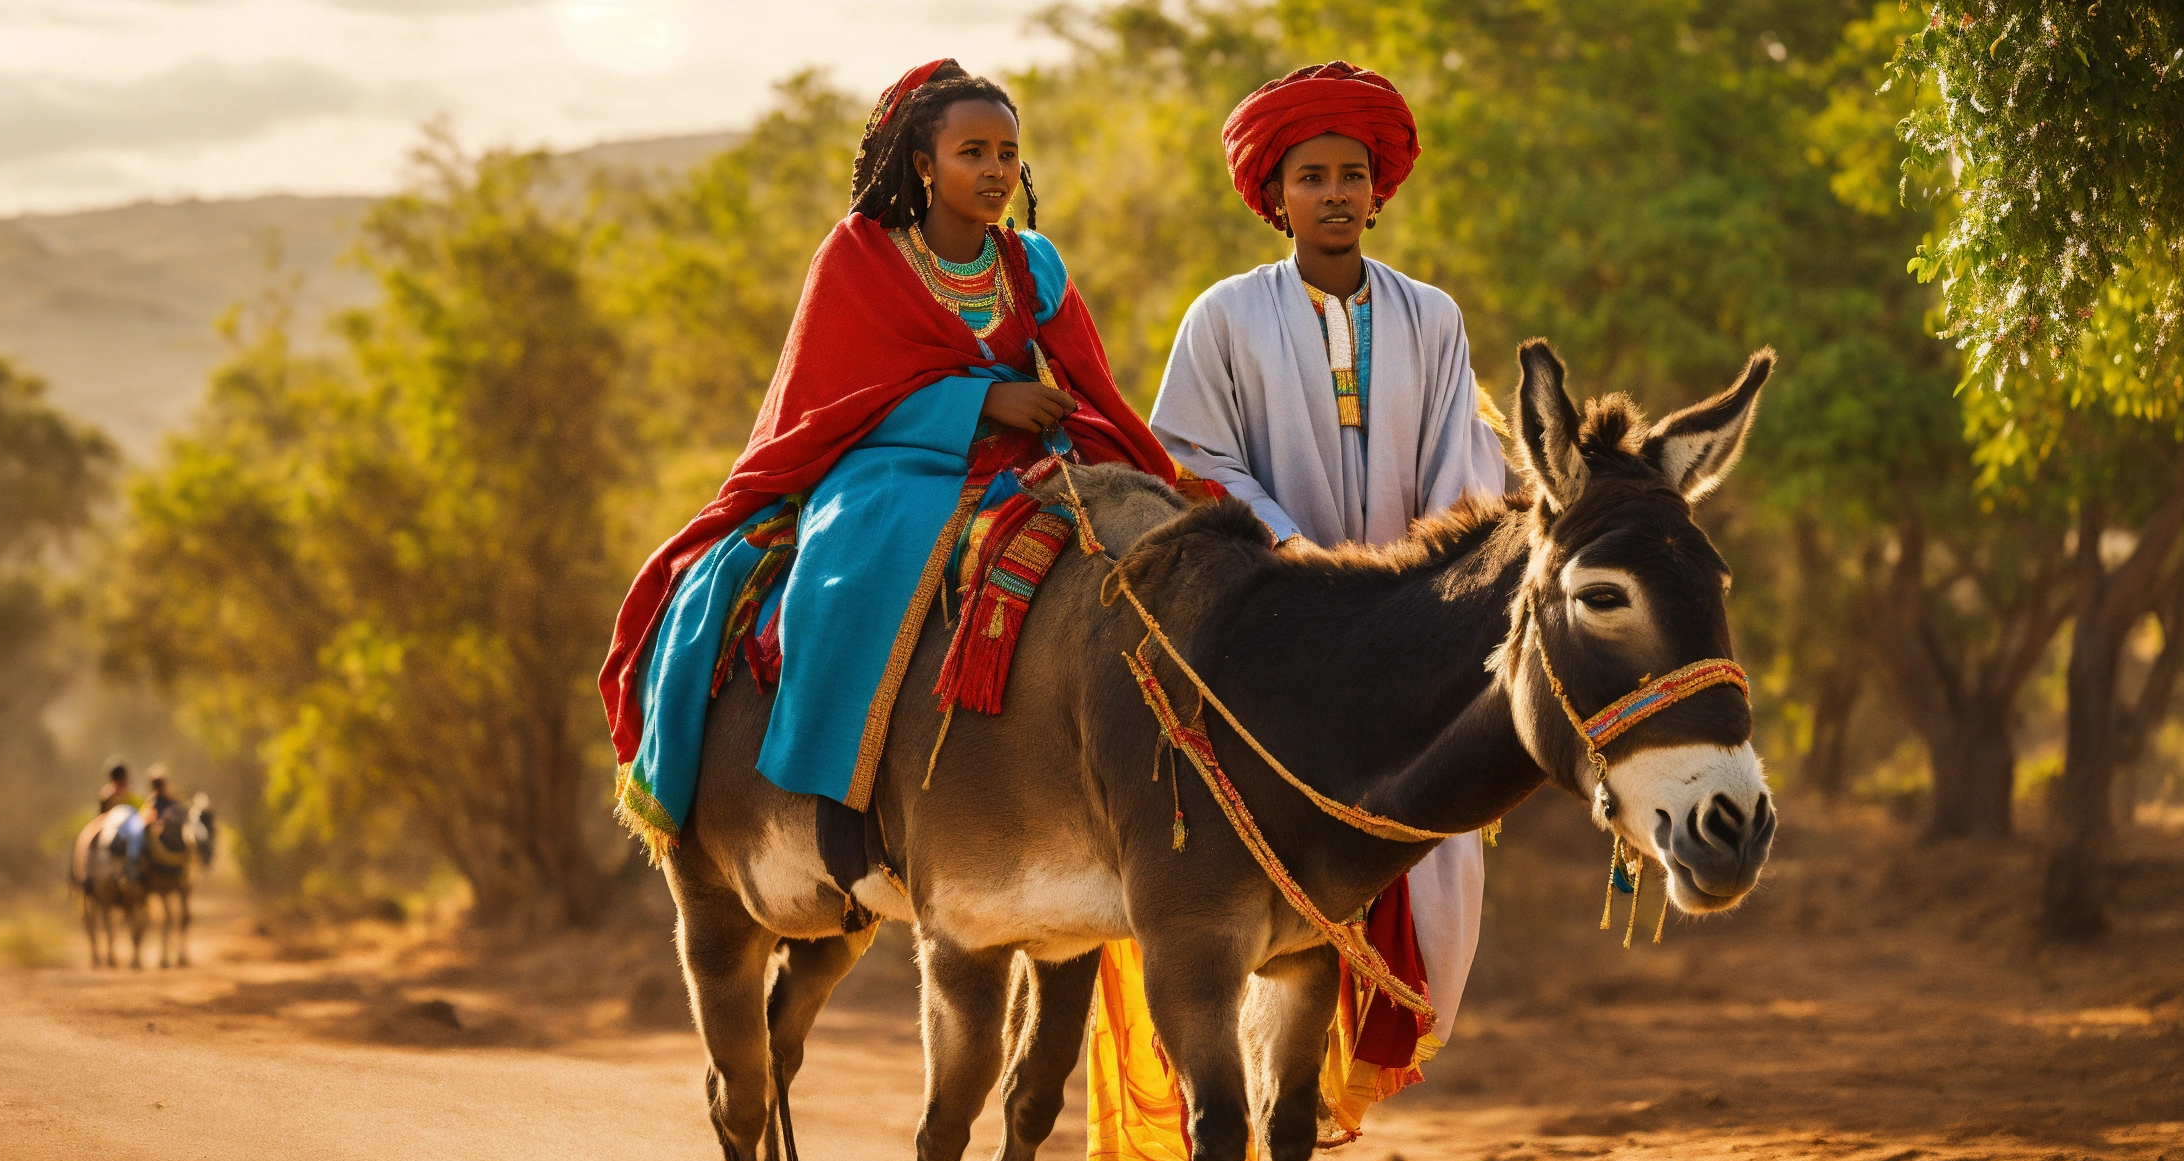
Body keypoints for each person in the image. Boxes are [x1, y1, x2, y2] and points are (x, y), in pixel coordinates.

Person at [602, 58, 1172, 860]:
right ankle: (832, 795)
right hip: (889, 461)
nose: (995, 170)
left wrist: (1129, 461)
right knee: (854, 561)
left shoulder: (1031, 261)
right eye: (972, 152)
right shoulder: (859, 258)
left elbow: (1089, 380)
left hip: (1024, 459)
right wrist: (976, 402)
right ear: (922, 164)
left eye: (1007, 153)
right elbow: (829, 401)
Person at [1149, 61, 1508, 1097]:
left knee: (1420, 861)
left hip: (1403, 635)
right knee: (1239, 889)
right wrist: (1289, 549)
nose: (1336, 193)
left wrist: (1413, 589)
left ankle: (1300, 1140)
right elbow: (1196, 459)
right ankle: (1248, 1154)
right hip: (1274, 634)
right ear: (1274, 193)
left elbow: (1461, 467)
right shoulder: (1221, 317)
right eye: (1311, 175)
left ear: (1379, 187)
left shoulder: (1430, 317)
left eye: (1353, 172)